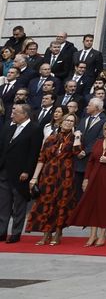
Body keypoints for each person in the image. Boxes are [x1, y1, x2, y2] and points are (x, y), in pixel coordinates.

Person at [69, 116, 106, 247]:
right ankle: (92, 234)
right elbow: (91, 161)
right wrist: (86, 178)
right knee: (92, 204)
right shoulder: (98, 142)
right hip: (94, 176)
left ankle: (103, 234)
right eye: (105, 129)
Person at [25, 108, 74, 245]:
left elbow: (78, 151)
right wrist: (34, 178)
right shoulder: (51, 138)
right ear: (61, 122)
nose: (68, 123)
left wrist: (77, 136)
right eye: (67, 120)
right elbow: (41, 158)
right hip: (48, 175)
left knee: (61, 204)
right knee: (45, 203)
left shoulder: (74, 139)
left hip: (65, 176)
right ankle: (46, 233)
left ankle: (58, 233)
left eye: (72, 121)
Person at [0, 103, 42, 242]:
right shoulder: (9, 127)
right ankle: (2, 231)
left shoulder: (34, 129)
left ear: (25, 114)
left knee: (19, 204)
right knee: (4, 204)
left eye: (15, 112)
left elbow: (34, 153)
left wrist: (27, 171)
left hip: (20, 174)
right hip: (5, 171)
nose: (12, 115)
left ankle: (16, 232)